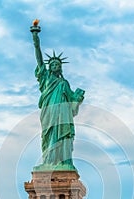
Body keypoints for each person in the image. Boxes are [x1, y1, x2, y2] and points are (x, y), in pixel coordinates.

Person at [31, 22, 85, 169]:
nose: (55, 66)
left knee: (62, 135)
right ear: (49, 67)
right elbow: (39, 57)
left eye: (57, 65)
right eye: (53, 64)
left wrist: (78, 98)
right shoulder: (46, 78)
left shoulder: (64, 83)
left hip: (62, 114)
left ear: (60, 68)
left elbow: (72, 102)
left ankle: (63, 161)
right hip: (49, 112)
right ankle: (48, 162)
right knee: (48, 135)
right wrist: (35, 38)